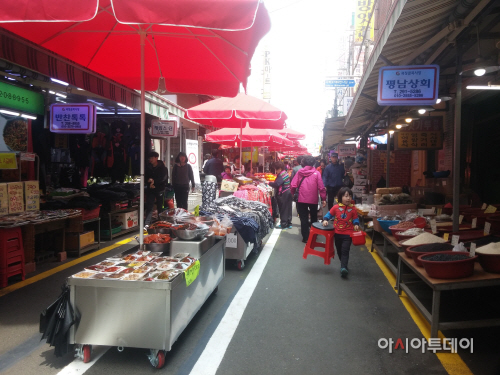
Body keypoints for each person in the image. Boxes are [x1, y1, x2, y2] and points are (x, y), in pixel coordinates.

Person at [322, 187, 360, 278]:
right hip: (337, 233)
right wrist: (325, 220)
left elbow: (355, 218)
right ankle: (343, 263)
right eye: (346, 196)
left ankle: (343, 267)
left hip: (348, 234)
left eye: (350, 196)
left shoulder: (353, 209)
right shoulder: (336, 207)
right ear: (340, 197)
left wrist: (356, 224)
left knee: (345, 250)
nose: (348, 198)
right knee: (339, 250)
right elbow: (328, 214)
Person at [291, 155, 327, 243]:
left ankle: (305, 238)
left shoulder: (299, 172)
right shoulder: (317, 173)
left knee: (303, 218)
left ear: (304, 163)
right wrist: (323, 199)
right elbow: (321, 187)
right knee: (314, 217)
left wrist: (292, 194)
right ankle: (314, 234)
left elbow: (293, 185)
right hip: (313, 199)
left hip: (301, 199)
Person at [144, 151, 168, 226]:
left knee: (160, 207)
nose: (150, 159)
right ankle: (147, 224)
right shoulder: (148, 167)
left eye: (152, 158)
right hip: (150, 190)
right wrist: (149, 181)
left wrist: (154, 182)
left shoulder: (163, 168)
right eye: (149, 158)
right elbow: (145, 177)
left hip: (160, 189)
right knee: (149, 206)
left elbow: (164, 178)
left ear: (156, 158)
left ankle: (160, 223)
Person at [269, 161, 293, 229]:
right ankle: (289, 223)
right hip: (288, 192)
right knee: (288, 208)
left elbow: (277, 184)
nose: (275, 170)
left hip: (283, 193)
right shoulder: (285, 173)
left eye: (276, 169)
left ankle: (283, 224)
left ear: (279, 168)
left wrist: (269, 183)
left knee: (283, 209)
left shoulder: (281, 175)